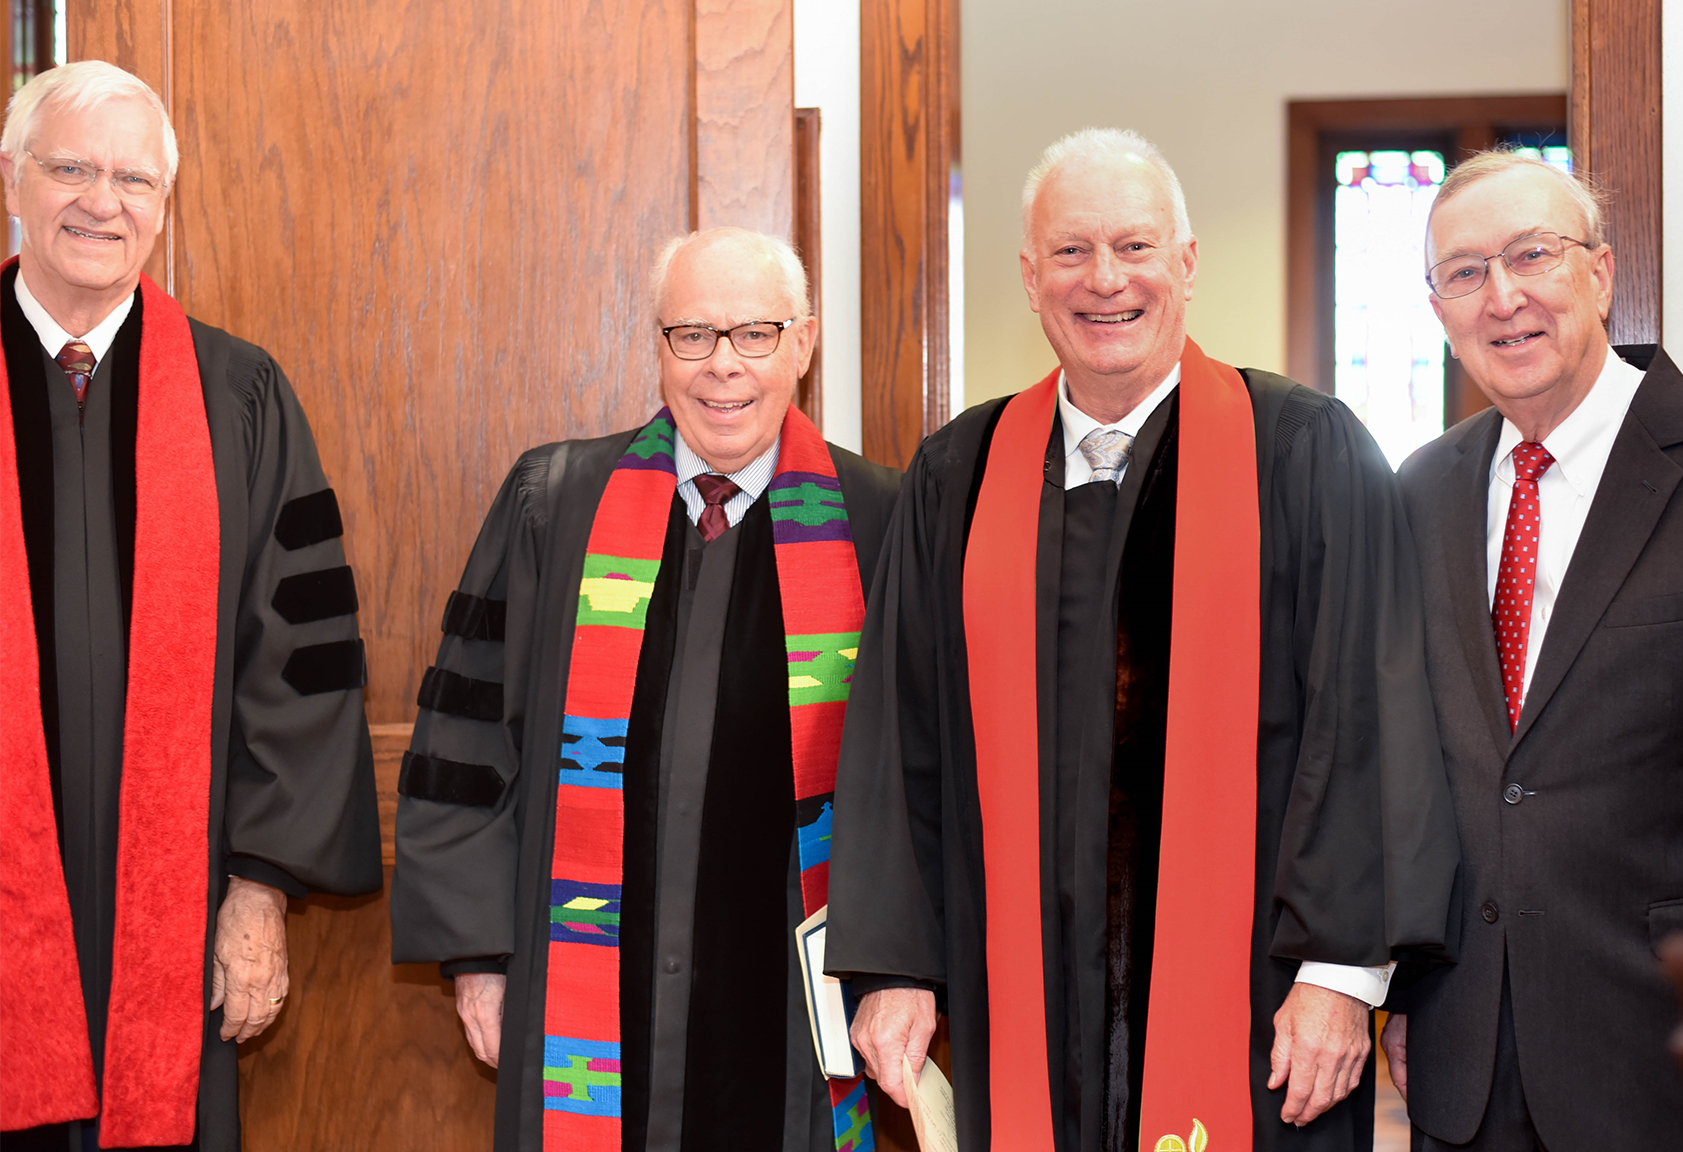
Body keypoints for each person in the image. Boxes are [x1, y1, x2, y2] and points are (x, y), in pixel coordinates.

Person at [825, 127, 1459, 1152]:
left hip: (1263, 1008)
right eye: (1071, 253)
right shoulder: (959, 474)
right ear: (1030, 279)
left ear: (1188, 264)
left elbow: (1371, 714)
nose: (1104, 280)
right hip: (1016, 1001)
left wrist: (1342, 979)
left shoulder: (1302, 452)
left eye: (1135, 247)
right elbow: (901, 735)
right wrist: (894, 967)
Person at [390, 226, 901, 1152]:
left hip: (791, 1006)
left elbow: (917, 774)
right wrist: (480, 957)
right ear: (658, 344)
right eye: (692, 336)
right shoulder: (557, 504)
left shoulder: (880, 521)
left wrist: (901, 970)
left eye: (755, 334)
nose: (723, 369)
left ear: (804, 343)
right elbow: (467, 742)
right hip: (584, 993)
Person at [1384, 150, 1683, 1151]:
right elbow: (1408, 773)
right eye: (1466, 273)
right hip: (1468, 1059)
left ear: (1603, 274)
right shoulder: (1416, 493)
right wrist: (1395, 988)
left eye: (1532, 254)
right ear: (1437, 308)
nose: (1504, 297)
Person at [0, 61, 380, 1151]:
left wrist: (258, 890)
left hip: (168, 909)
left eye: (133, 179)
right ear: (14, 182)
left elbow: (297, 661)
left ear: (164, 207)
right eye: (70, 167)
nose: (101, 202)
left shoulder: (236, 397)